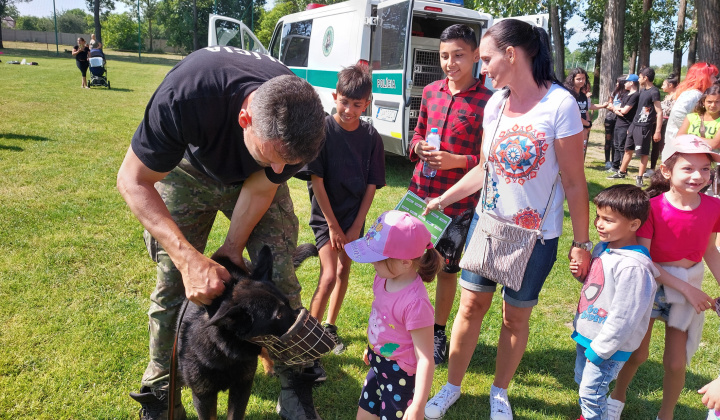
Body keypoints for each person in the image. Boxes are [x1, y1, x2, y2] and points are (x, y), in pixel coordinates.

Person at [116, 47, 326, 420]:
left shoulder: (298, 123)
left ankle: (296, 382)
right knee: (174, 283)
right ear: (245, 117)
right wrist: (186, 258)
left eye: (289, 163)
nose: (282, 168)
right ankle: (161, 391)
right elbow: (132, 181)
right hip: (186, 170)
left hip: (249, 179)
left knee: (279, 274)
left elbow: (264, 183)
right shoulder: (189, 94)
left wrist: (233, 246)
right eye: (273, 154)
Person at [421, 19, 591, 420]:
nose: (483, 69)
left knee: (515, 317)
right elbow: (485, 168)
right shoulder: (495, 103)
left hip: (536, 237)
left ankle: (500, 392)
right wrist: (445, 197)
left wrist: (582, 244)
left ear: (512, 55)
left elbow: (574, 181)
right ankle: (452, 386)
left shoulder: (560, 105)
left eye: (487, 59)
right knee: (470, 308)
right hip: (488, 225)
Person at [608, 134, 720, 420]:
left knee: (675, 363)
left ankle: (666, 415)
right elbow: (645, 261)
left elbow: (710, 249)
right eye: (688, 168)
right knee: (636, 353)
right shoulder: (652, 208)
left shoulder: (713, 207)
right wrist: (689, 290)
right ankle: (615, 401)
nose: (698, 176)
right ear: (667, 171)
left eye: (705, 169)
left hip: (687, 289)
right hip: (650, 286)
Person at [407, 23, 491, 366]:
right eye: (444, 56)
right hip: (418, 195)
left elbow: (488, 161)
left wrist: (458, 161)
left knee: (445, 270)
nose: (450, 62)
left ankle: (438, 331)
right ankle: (406, 324)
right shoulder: (430, 92)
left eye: (458, 55)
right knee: (406, 263)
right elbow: (416, 133)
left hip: (458, 204)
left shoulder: (489, 101)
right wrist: (418, 148)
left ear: (475, 56)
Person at [296, 65, 386, 372]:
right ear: (335, 96)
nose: (348, 110)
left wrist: (356, 225)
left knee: (345, 271)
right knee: (329, 275)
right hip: (326, 218)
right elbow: (316, 181)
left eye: (356, 104)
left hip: (353, 218)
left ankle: (328, 328)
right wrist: (334, 226)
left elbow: (372, 184)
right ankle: (307, 342)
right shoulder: (323, 131)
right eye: (344, 102)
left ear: (367, 103)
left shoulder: (372, 136)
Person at [569, 184, 657, 420]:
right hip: (589, 333)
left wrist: (602, 350)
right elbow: (598, 288)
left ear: (633, 225)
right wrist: (582, 275)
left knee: (592, 392)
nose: (599, 223)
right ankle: (587, 415)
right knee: (584, 384)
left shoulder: (634, 267)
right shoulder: (603, 248)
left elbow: (625, 316)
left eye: (608, 220)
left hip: (608, 346)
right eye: (598, 216)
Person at [344, 210, 442, 420]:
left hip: (401, 377)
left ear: (405, 262)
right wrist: (374, 348)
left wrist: (418, 405)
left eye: (378, 258)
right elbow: (384, 321)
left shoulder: (416, 304)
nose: (372, 263)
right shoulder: (382, 279)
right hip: (378, 364)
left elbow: (425, 358)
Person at [615, 67, 663, 187]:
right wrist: (631, 126)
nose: (639, 79)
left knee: (643, 153)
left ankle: (639, 177)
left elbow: (660, 112)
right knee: (628, 150)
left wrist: (657, 131)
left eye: (640, 77)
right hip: (634, 125)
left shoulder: (654, 92)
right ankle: (621, 172)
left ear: (645, 78)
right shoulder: (642, 91)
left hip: (644, 127)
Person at [665, 62, 719, 142]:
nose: (715, 80)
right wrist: (688, 133)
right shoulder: (694, 95)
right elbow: (678, 114)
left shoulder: (692, 93)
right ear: (704, 78)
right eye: (713, 77)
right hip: (683, 144)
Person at [563, 67, 608, 157]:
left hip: (583, 127)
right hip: (571, 127)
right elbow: (572, 114)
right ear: (572, 79)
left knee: (580, 151)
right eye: (578, 79)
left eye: (583, 78)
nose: (581, 81)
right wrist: (586, 123)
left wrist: (588, 124)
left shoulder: (583, 95)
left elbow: (585, 110)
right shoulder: (569, 95)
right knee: (570, 152)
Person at [607, 74, 639, 178]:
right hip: (619, 123)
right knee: (616, 145)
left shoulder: (635, 95)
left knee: (622, 147)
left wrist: (617, 110)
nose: (624, 84)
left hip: (626, 124)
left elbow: (624, 110)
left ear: (632, 83)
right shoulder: (627, 94)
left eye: (626, 82)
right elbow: (618, 107)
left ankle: (623, 168)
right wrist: (617, 110)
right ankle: (615, 166)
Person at [648, 73, 679, 175]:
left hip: (668, 125)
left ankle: (667, 168)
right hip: (659, 123)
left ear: (670, 85)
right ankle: (652, 168)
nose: (662, 87)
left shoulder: (677, 98)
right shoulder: (666, 97)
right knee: (655, 146)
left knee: (664, 147)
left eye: (664, 84)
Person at [604, 76, 627, 170]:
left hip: (620, 119)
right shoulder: (614, 92)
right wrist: (613, 108)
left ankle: (615, 162)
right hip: (610, 117)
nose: (616, 84)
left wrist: (615, 108)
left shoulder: (627, 94)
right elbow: (609, 104)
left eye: (618, 82)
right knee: (608, 139)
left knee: (616, 141)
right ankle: (607, 161)